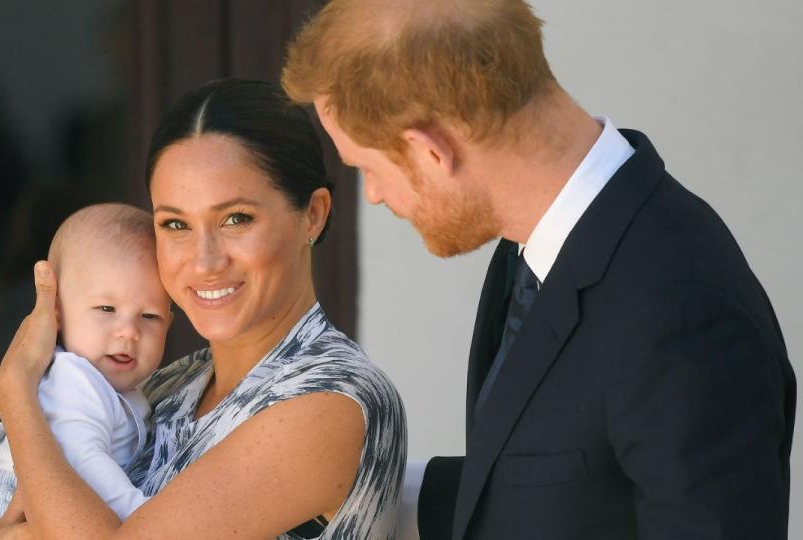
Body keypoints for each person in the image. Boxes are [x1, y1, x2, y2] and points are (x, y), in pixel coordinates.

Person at [282, 1, 795, 539]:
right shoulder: (541, 242)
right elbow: (562, 487)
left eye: (367, 168)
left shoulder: (682, 311)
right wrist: (344, 483)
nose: (377, 195)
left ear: (431, 151)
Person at [0, 78, 406, 539]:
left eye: (236, 219)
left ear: (313, 214)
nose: (204, 261)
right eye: (175, 224)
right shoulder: (168, 386)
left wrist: (17, 396)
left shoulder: (331, 399)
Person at [0, 203, 173, 538]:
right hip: (12, 514)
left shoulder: (120, 388)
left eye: (149, 316)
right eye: (106, 308)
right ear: (56, 312)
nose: (129, 332)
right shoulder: (73, 380)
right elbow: (84, 463)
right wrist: (142, 517)